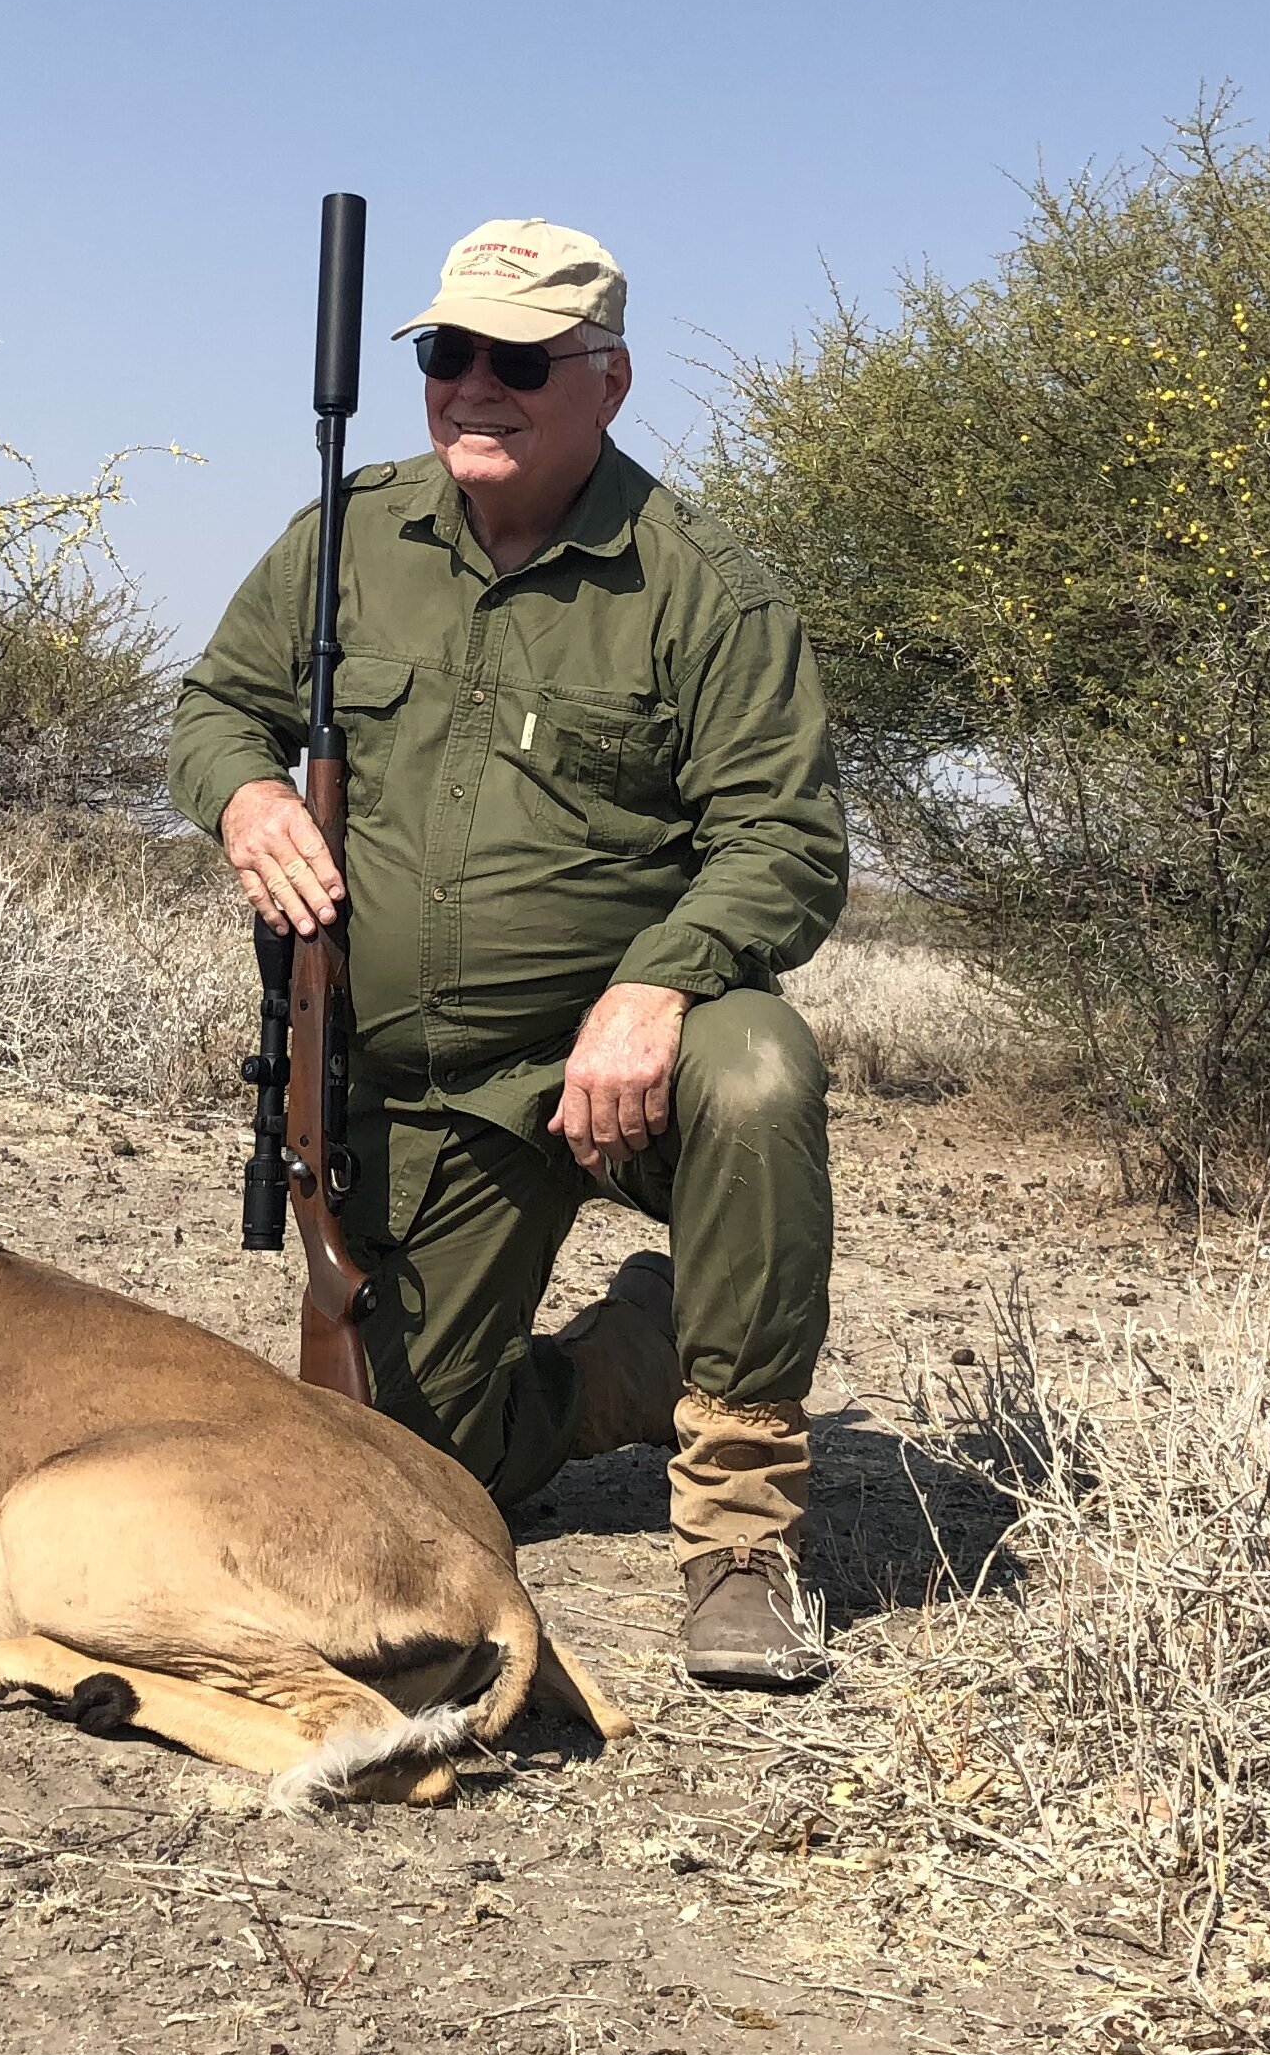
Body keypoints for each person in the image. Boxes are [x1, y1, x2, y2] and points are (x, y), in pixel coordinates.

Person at [168, 217, 849, 1686]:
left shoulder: (706, 587)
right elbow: (214, 705)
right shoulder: (349, 535)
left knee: (761, 1068)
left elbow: (787, 845)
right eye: (447, 353)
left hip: (625, 1064)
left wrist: (659, 985)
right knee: (409, 1479)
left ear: (604, 381)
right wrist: (242, 790)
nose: (476, 386)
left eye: (519, 361)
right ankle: (625, 1370)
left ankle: (740, 1534)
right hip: (421, 1093)